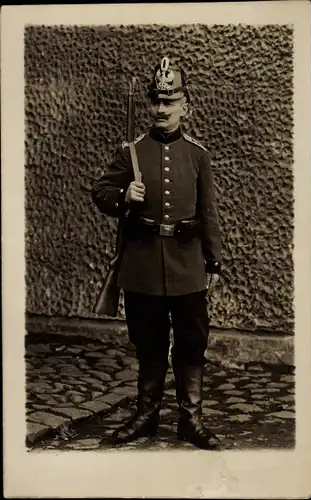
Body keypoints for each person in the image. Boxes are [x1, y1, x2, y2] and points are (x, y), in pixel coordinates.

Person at [91, 56, 222, 449]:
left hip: (187, 266)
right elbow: (100, 192)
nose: (162, 109)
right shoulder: (130, 152)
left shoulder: (198, 155)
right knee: (147, 340)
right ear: (149, 105)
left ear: (186, 107)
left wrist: (213, 261)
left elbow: (209, 212)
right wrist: (123, 196)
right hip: (143, 266)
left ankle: (190, 419)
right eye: (156, 102)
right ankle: (146, 416)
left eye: (171, 102)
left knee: (191, 340)